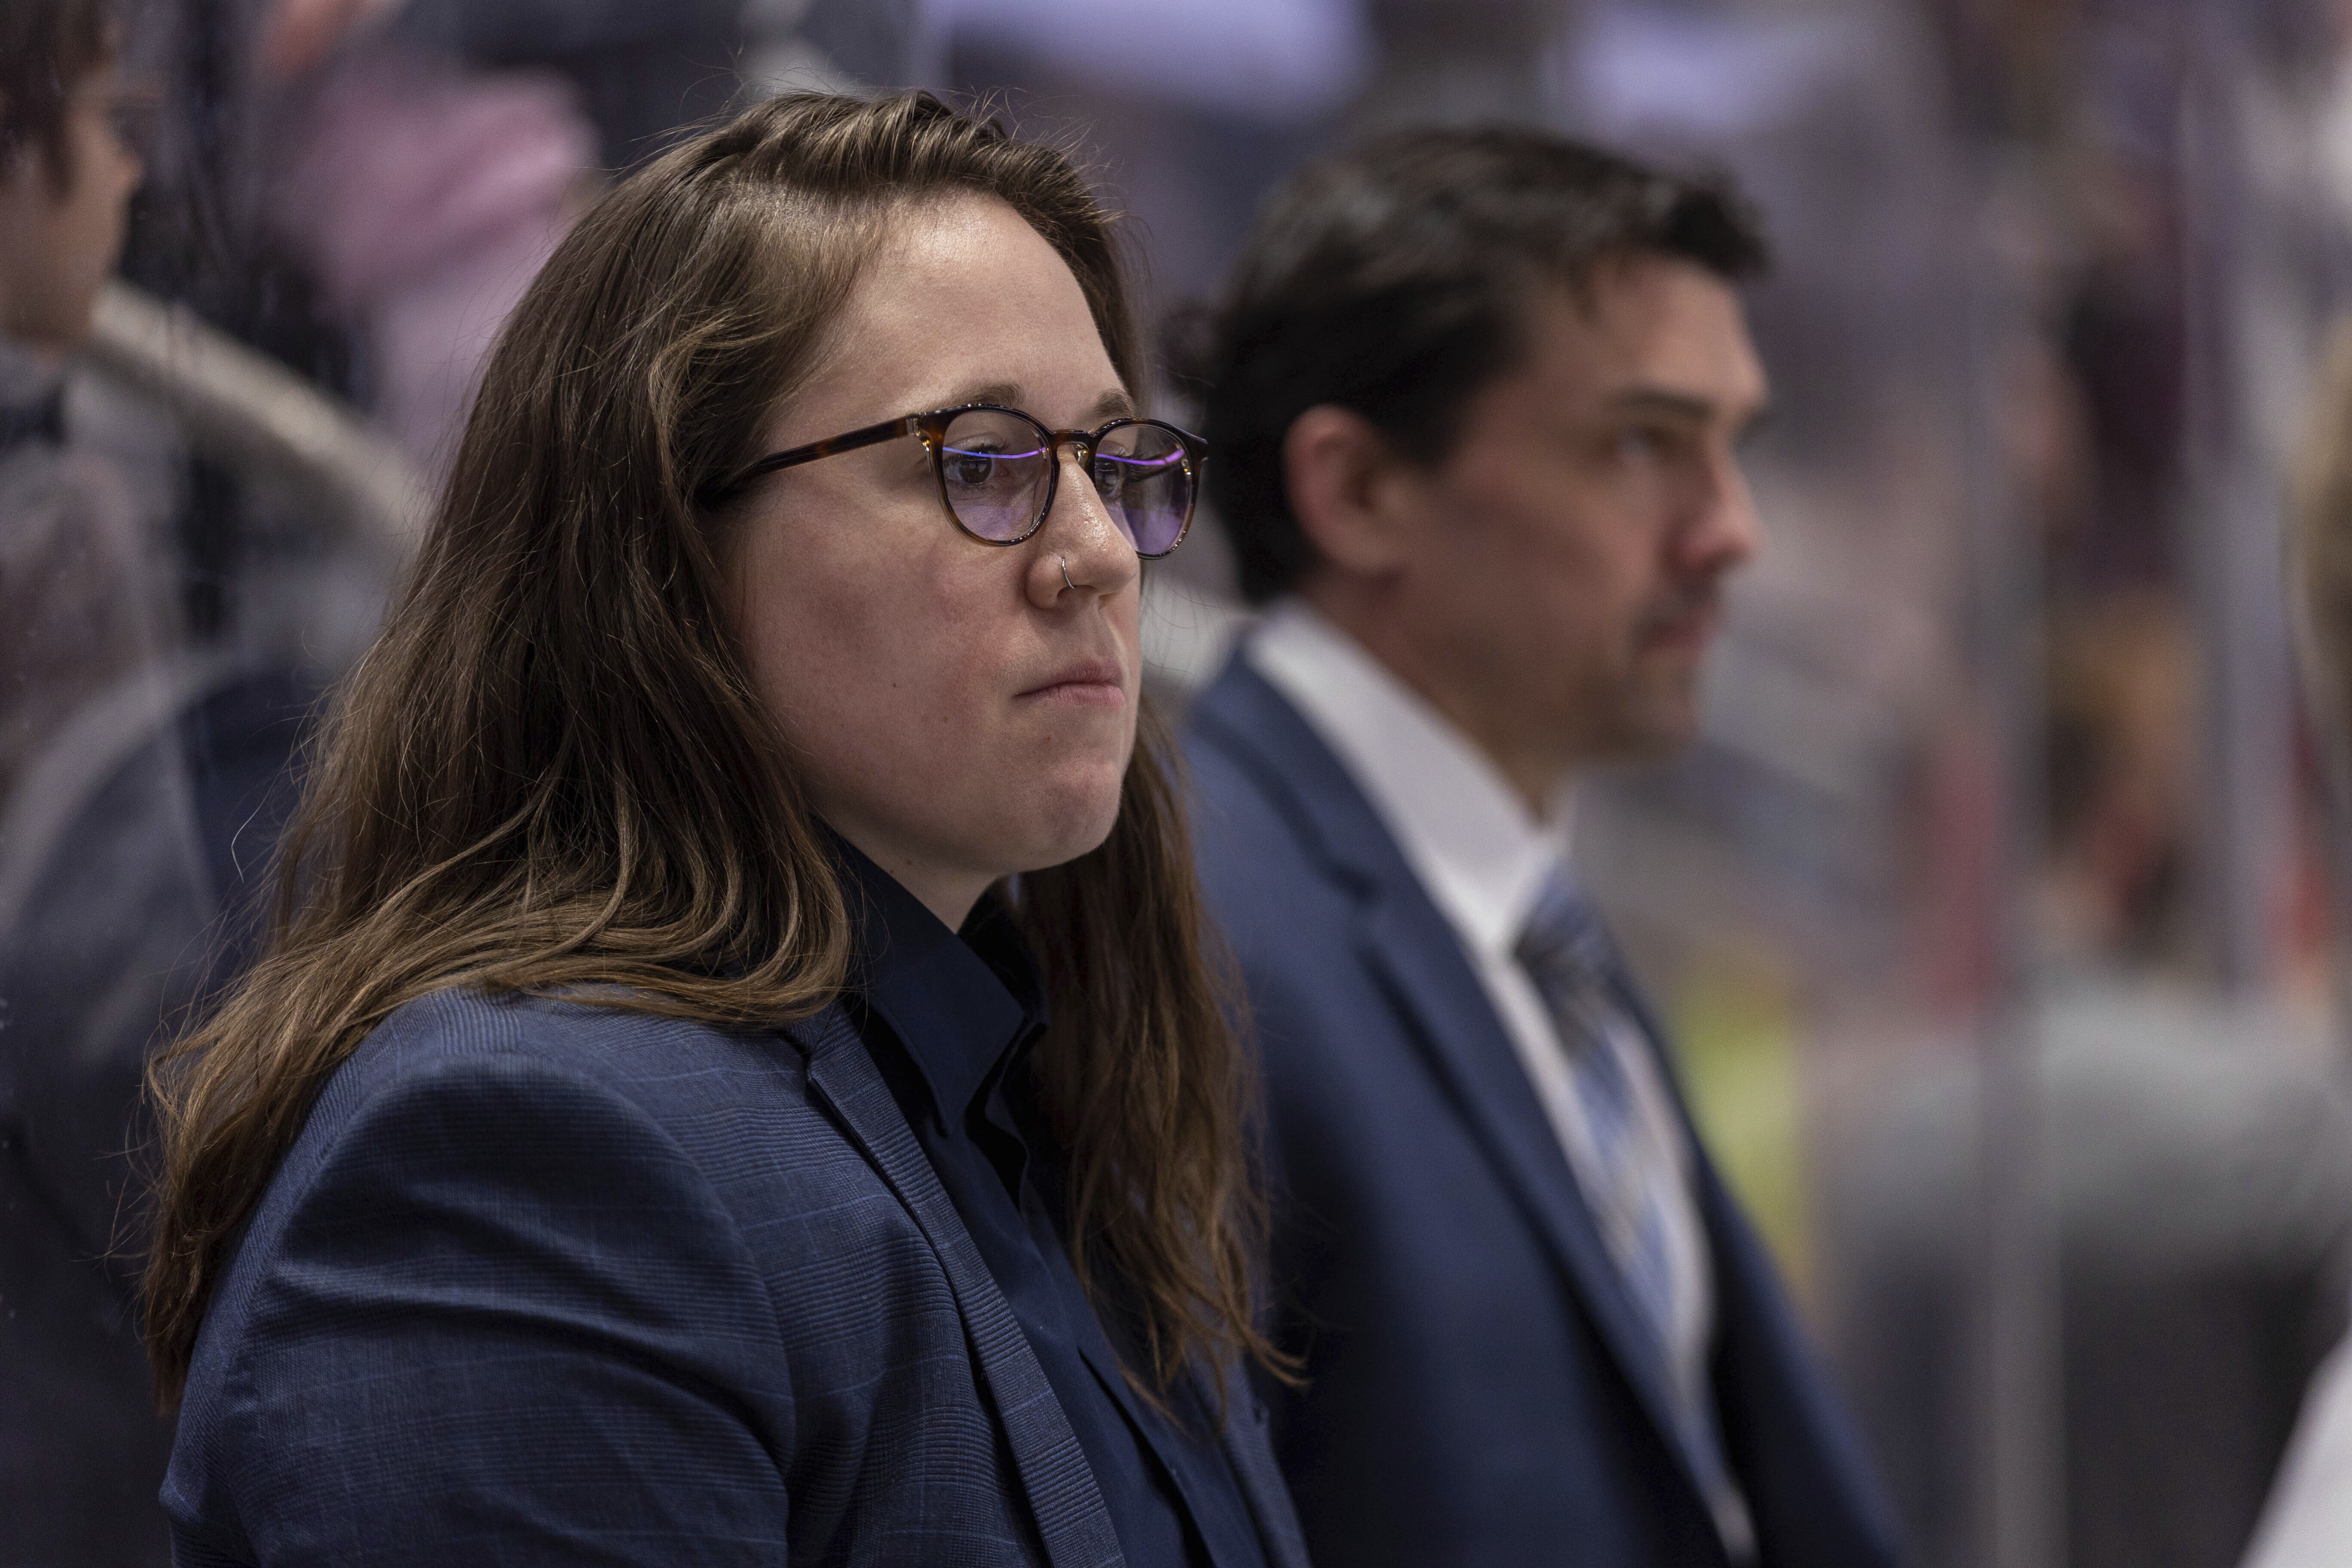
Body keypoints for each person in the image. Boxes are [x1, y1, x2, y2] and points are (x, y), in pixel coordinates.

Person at [143, 91, 1307, 1567]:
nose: (1095, 555)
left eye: (1112, 462)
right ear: (669, 549)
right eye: (985, 462)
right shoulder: (529, 1156)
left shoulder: (1052, 1099)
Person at [1181, 126, 1901, 1567]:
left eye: (1734, 447)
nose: (1731, 534)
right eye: (1642, 445)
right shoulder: (1198, 935)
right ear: (1360, 491)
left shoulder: (1528, 915)